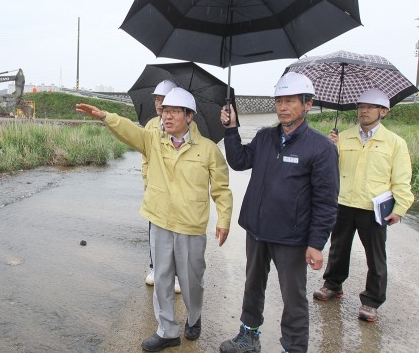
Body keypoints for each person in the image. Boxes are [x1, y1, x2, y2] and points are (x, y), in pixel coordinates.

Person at [76, 87, 233, 351]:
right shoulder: (153, 141)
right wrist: (106, 116)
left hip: (190, 225)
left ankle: (194, 317)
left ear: (189, 116)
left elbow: (221, 189)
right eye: (165, 111)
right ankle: (167, 329)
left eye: (174, 112)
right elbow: (130, 131)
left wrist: (224, 219)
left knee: (192, 280)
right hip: (159, 220)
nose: (167, 117)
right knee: (161, 278)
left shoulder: (207, 150)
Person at [219, 72, 339, 353]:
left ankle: (294, 348)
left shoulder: (320, 148)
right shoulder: (264, 137)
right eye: (279, 100)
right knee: (253, 284)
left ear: (308, 104)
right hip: (257, 230)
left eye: (290, 101)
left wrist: (316, 244)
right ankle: (249, 336)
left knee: (293, 297)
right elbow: (238, 161)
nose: (282, 107)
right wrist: (231, 128)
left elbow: (326, 202)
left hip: (292, 237)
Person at [313, 89, 414, 322]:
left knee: (375, 256)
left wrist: (399, 209)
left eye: (370, 107)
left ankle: (371, 301)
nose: (364, 111)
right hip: (344, 203)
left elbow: (402, 178)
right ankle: (333, 285)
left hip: (374, 208)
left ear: (383, 112)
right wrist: (331, 148)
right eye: (360, 106)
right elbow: (330, 171)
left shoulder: (394, 143)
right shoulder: (344, 137)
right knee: (338, 248)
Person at [143, 80, 182, 294]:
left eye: (163, 99)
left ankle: (175, 274)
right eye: (157, 99)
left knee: (175, 230)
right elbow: (145, 157)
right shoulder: (150, 125)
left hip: (176, 189)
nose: (159, 103)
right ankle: (154, 268)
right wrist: (146, 181)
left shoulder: (182, 125)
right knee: (154, 229)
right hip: (155, 187)